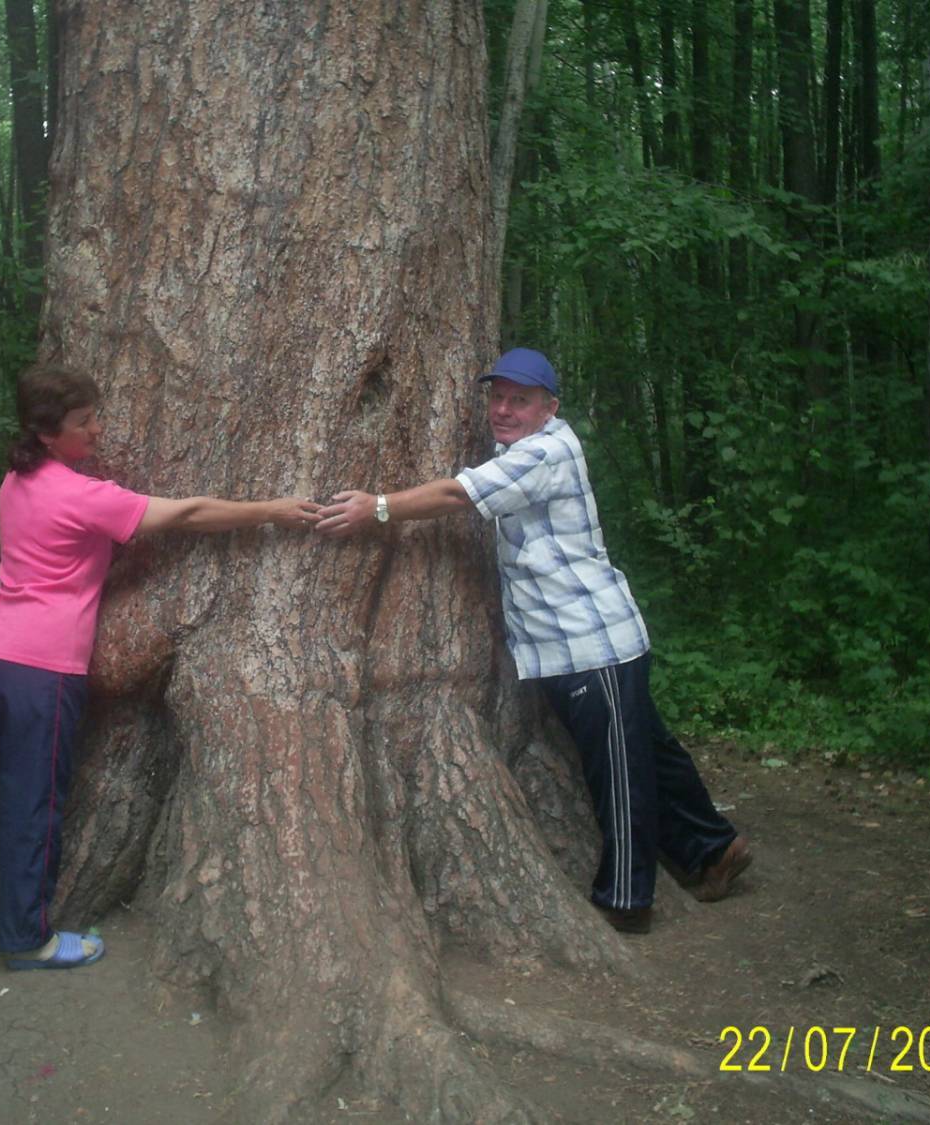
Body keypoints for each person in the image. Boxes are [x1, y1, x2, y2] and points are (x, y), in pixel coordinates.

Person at [0, 364, 321, 968]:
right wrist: (270, 510)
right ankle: (27, 940)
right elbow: (186, 516)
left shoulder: (15, 481)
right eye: (86, 422)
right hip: (42, 671)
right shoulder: (82, 497)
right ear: (48, 433)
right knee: (32, 802)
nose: (99, 430)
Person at [316, 347, 750, 934]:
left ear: (550, 407)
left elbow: (457, 496)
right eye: (496, 397)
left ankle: (627, 900)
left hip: (590, 642)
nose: (503, 409)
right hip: (574, 642)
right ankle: (713, 848)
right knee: (651, 753)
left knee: (617, 773)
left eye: (519, 399)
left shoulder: (545, 452)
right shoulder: (523, 449)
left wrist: (380, 507)